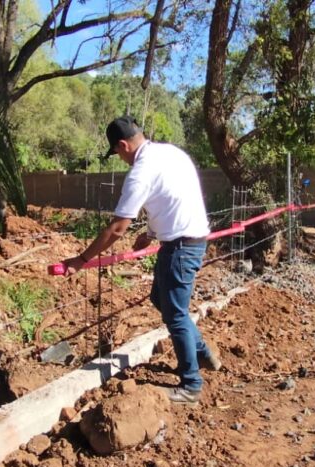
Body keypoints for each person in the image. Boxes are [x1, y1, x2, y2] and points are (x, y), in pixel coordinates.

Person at [63, 116, 220, 404]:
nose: (121, 159)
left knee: (175, 315)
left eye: (117, 153)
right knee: (161, 300)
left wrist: (81, 259)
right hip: (190, 240)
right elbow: (171, 198)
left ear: (122, 145)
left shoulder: (140, 171)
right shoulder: (171, 153)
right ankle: (202, 354)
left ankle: (191, 384)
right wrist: (150, 233)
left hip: (180, 248)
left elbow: (117, 228)